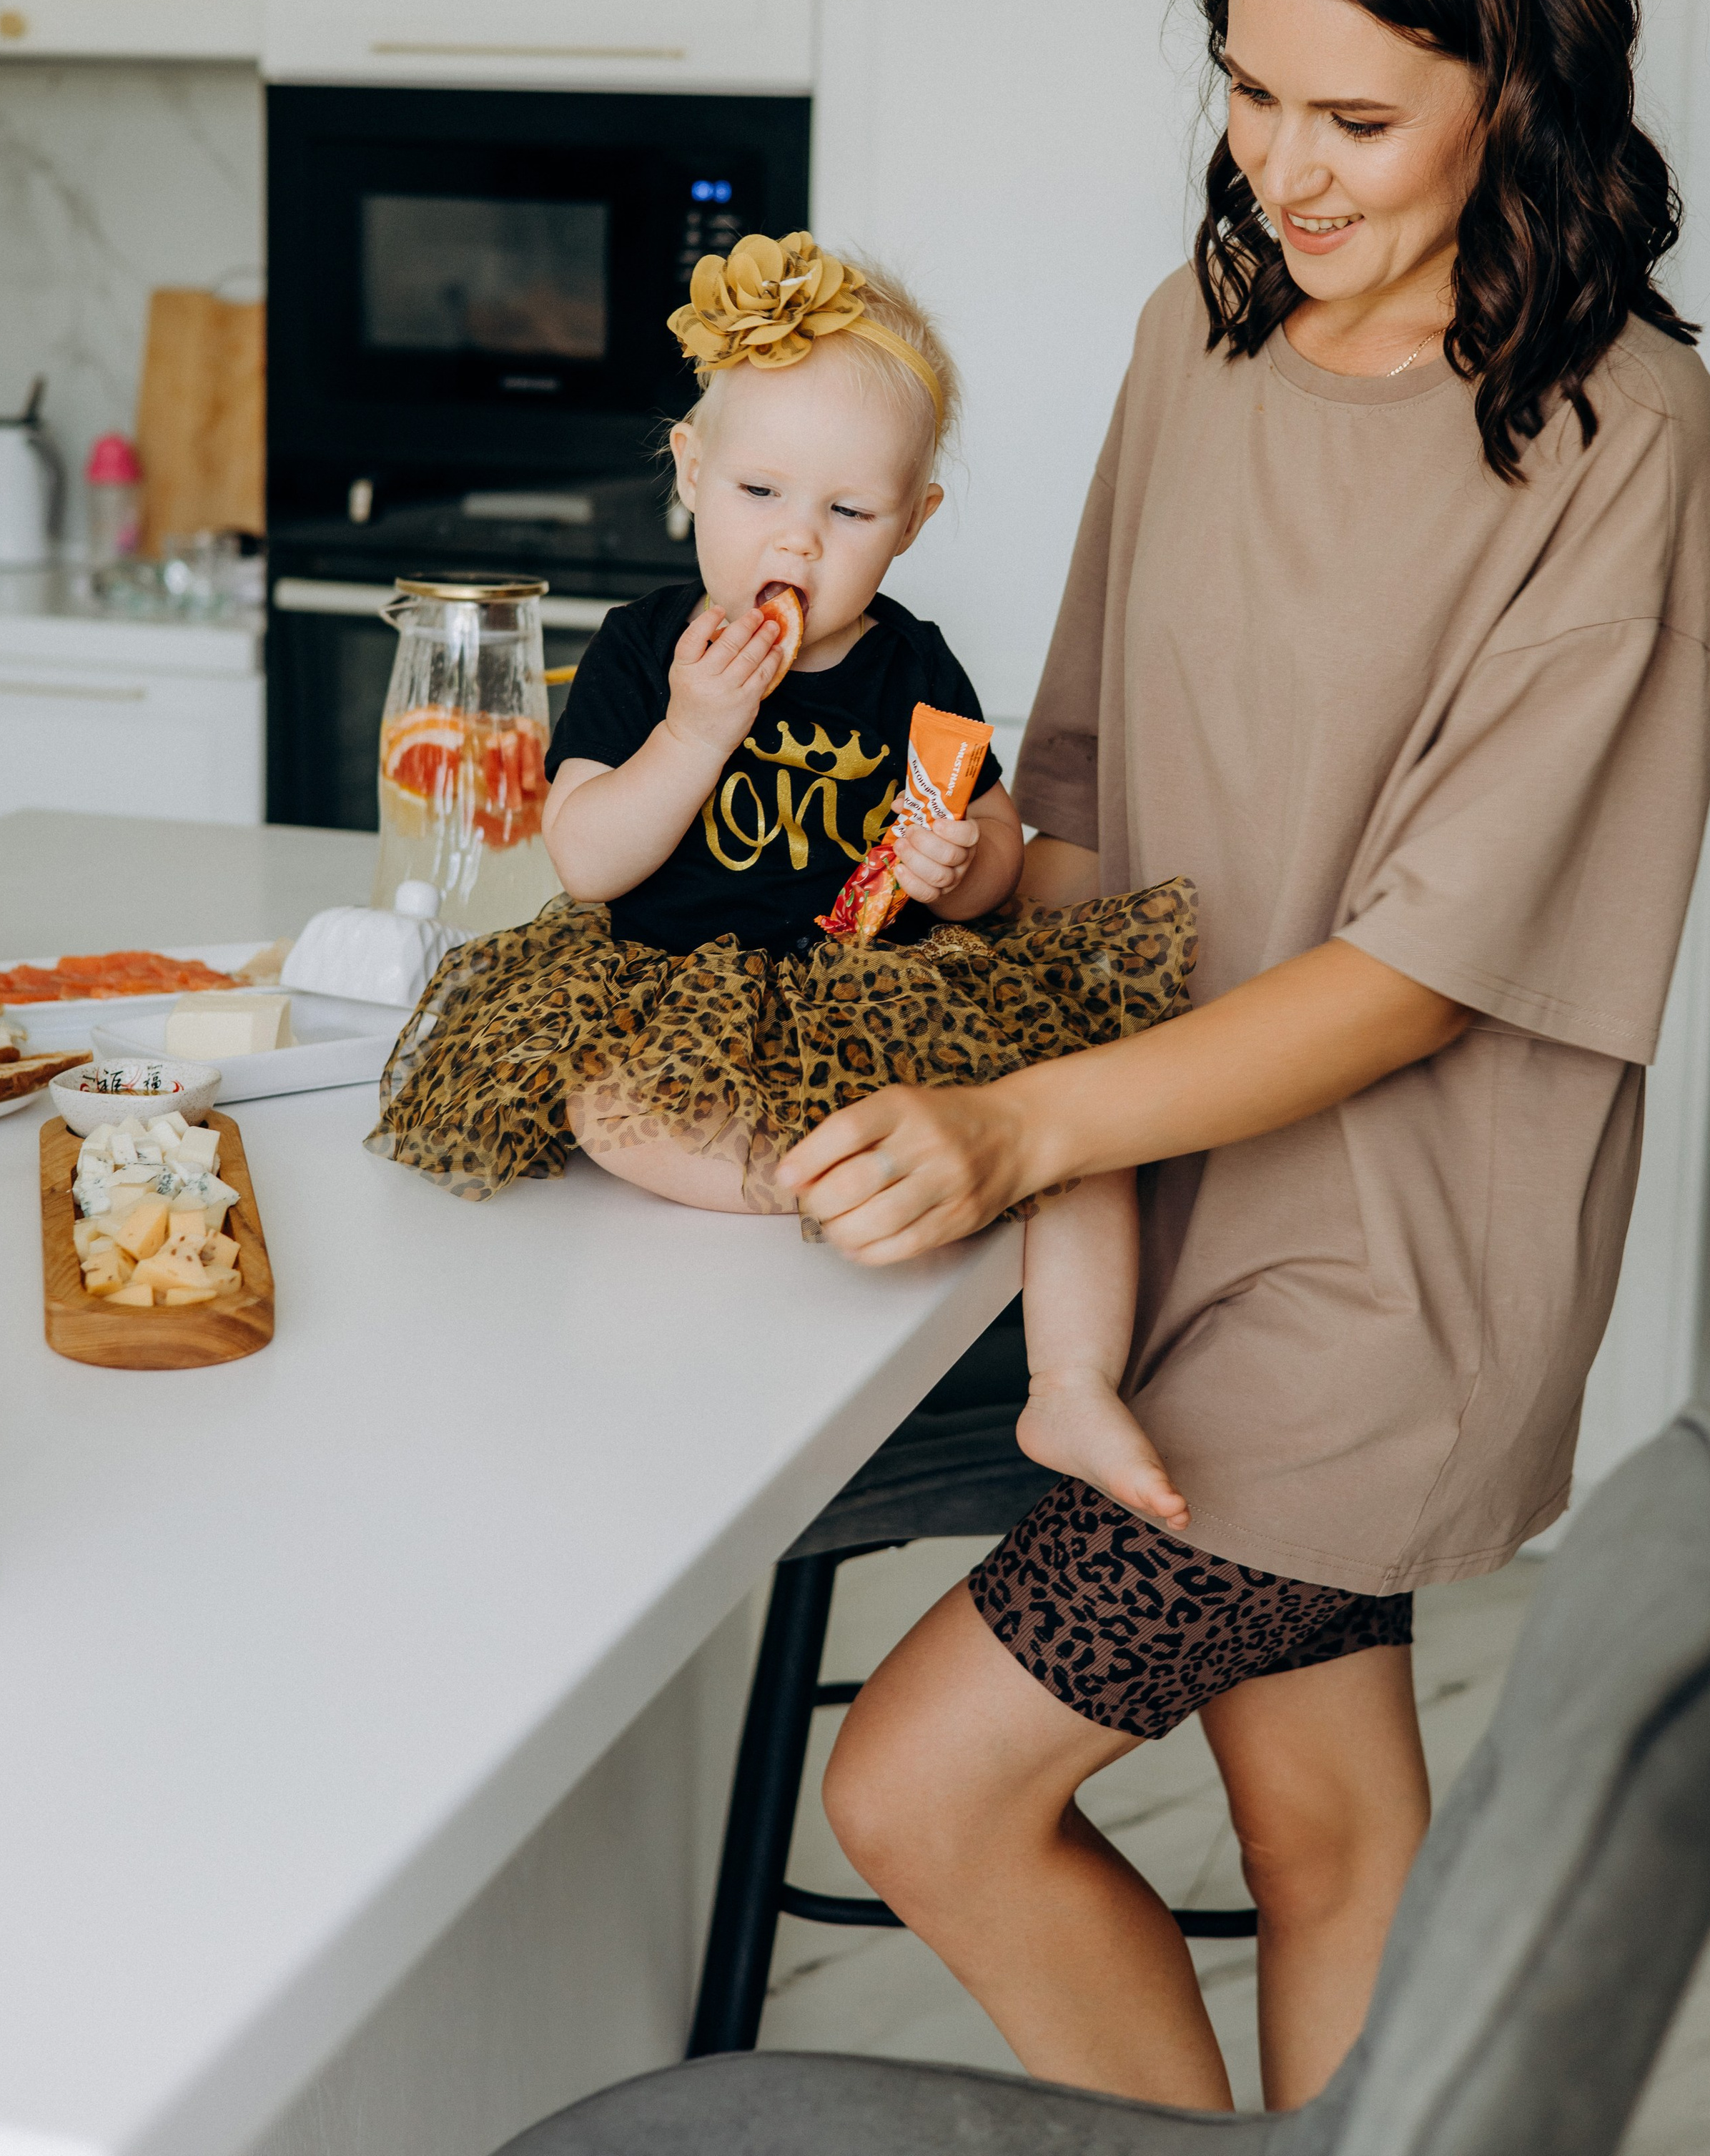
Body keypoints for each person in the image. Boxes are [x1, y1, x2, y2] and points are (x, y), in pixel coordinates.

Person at [778, 0, 1710, 2115]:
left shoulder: (1631, 441)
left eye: (1358, 115)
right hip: (1166, 1220)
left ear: (1519, 86)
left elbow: (1423, 969)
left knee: (914, 1790)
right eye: (1245, 90)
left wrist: (1010, 1125)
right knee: (1330, 1832)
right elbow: (1095, 791)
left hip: (1384, 1291)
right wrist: (978, 868)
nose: (1283, 170)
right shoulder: (1188, 349)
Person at [370, 233, 1200, 1527]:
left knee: (1083, 1113)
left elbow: (997, 860)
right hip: (667, 999)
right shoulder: (652, 647)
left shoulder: (917, 667)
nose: (798, 546)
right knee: (608, 1111)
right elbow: (586, 855)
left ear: (913, 522)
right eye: (760, 492)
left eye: (848, 514)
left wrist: (965, 860)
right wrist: (695, 730)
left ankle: (1075, 1377)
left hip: (880, 1005)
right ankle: (817, 1186)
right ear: (691, 475)